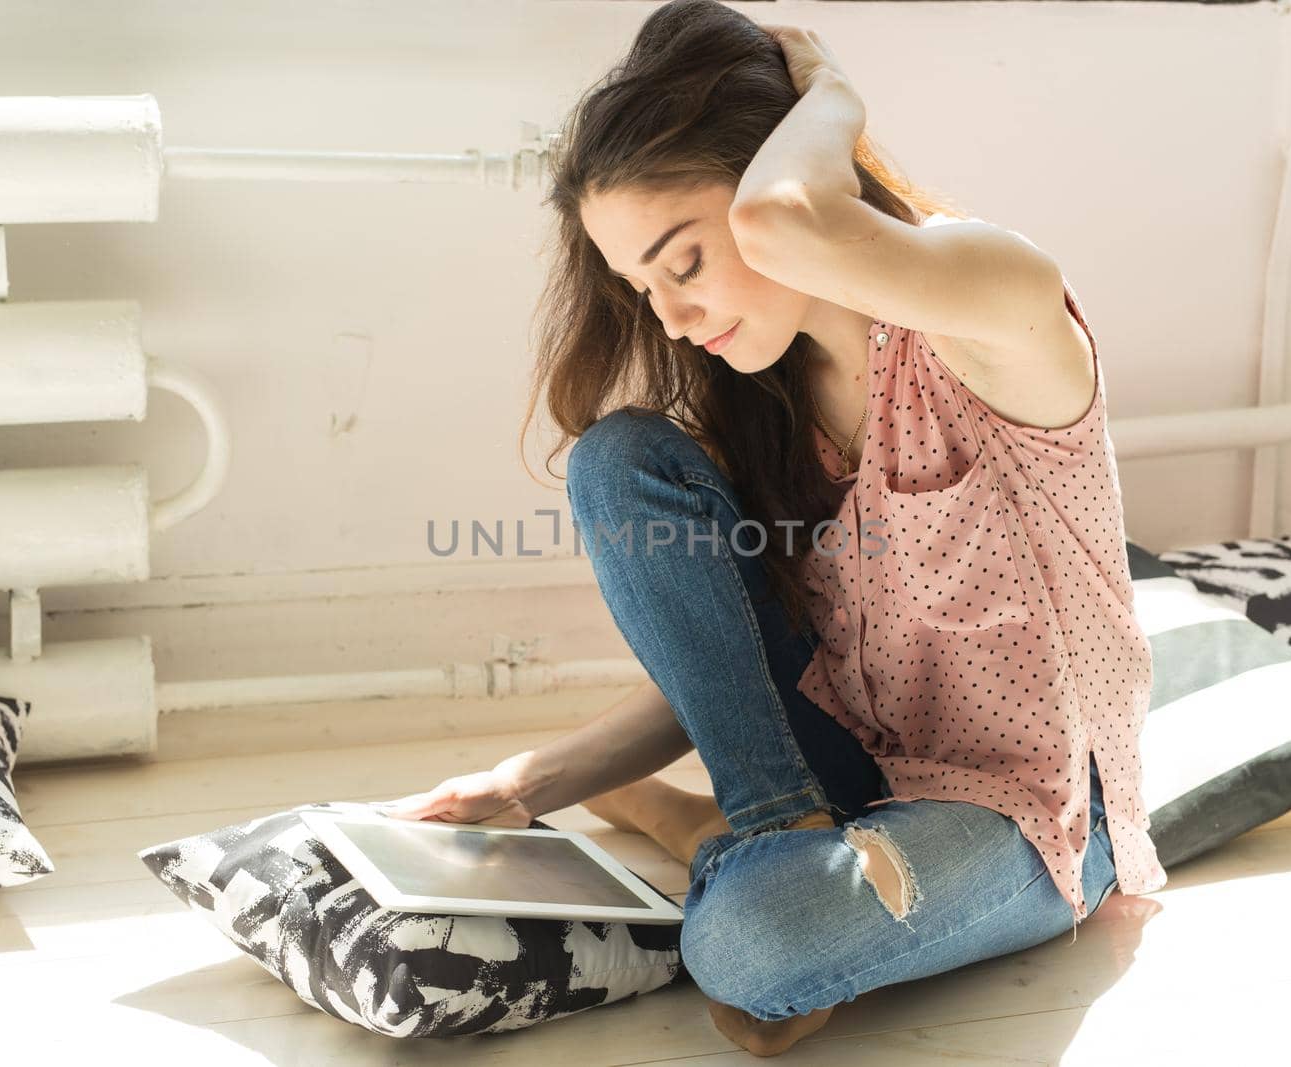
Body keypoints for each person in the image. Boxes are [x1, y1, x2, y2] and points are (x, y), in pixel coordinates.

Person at [382, 0, 1167, 1056]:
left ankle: (714, 837)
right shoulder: (761, 404)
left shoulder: (992, 295)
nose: (668, 317)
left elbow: (792, 226)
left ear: (774, 185)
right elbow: (743, 666)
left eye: (686, 260)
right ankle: (770, 829)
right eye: (639, 284)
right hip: (839, 773)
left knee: (755, 946)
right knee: (619, 456)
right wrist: (533, 782)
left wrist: (830, 96)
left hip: (1037, 815)